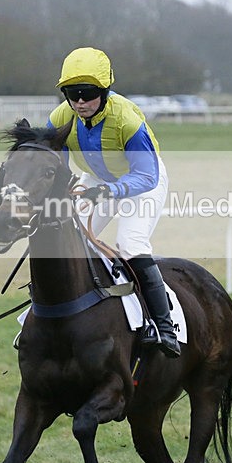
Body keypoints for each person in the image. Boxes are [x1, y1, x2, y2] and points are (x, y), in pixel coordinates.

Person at [47, 47, 180, 358]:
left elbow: (147, 176)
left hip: (144, 181)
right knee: (64, 232)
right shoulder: (60, 118)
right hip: (96, 178)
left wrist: (107, 192)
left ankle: (164, 325)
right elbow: (57, 164)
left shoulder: (126, 119)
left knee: (130, 242)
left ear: (104, 90)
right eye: (71, 93)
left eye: (88, 93)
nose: (79, 101)